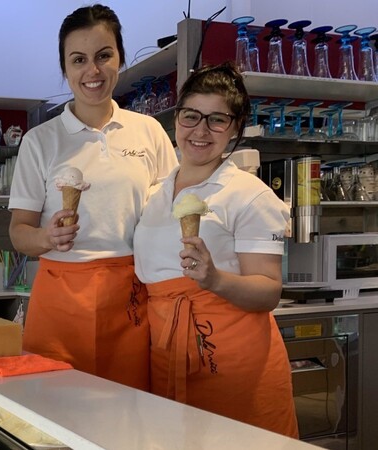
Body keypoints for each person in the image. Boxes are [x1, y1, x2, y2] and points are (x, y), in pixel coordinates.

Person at [8, 4, 178, 390]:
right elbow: (19, 232)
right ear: (65, 69)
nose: (93, 71)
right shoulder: (41, 141)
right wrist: (46, 238)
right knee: (59, 415)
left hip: (132, 297)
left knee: (129, 415)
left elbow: (168, 215)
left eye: (104, 56)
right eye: (79, 60)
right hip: (60, 299)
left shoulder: (148, 132)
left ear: (119, 56)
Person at [132, 62, 298, 438]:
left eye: (217, 120)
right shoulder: (155, 192)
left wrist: (214, 278)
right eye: (191, 116)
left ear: (235, 128)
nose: (200, 131)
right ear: (177, 119)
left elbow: (269, 290)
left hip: (232, 359)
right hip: (165, 349)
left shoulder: (250, 195)